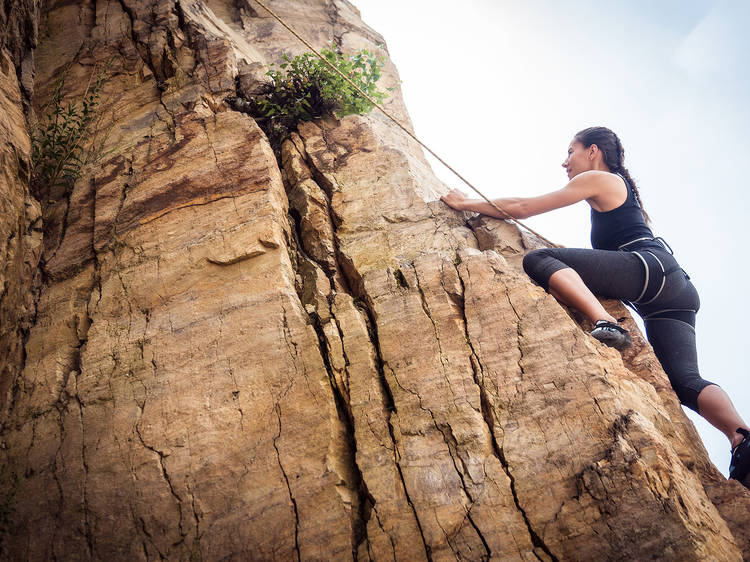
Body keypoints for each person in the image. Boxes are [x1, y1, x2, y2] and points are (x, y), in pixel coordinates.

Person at [440, 126, 750, 488]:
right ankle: (741, 439)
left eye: (570, 151)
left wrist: (464, 203)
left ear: (592, 152)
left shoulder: (600, 178)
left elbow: (524, 208)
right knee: (684, 383)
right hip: (672, 288)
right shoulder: (619, 189)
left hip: (649, 271)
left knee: (540, 259)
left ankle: (606, 323)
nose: (564, 161)